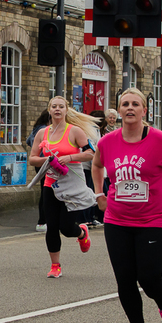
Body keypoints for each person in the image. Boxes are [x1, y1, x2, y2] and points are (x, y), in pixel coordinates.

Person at [92, 88, 162, 323]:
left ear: (144, 110)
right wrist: (98, 193)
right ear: (119, 110)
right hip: (117, 219)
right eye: (125, 104)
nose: (130, 108)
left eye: (136, 104)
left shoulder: (161, 140)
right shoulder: (107, 142)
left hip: (154, 219)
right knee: (124, 278)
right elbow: (97, 164)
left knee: (148, 277)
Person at [27, 96, 100, 279]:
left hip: (72, 185)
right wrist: (48, 160)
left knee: (66, 228)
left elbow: (91, 153)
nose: (57, 109)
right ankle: (55, 265)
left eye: (61, 106)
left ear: (66, 110)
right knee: (51, 226)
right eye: (54, 106)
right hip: (51, 184)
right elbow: (32, 158)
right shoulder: (42, 133)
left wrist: (70, 158)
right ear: (49, 110)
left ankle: (81, 232)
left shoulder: (74, 131)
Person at [27, 110, 52, 233]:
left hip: (39, 163)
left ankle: (44, 221)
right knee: (46, 191)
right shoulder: (45, 130)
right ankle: (42, 221)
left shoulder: (36, 128)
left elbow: (28, 141)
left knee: (45, 190)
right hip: (46, 162)